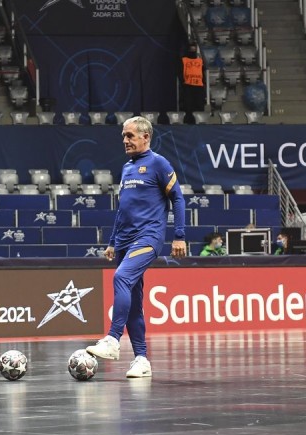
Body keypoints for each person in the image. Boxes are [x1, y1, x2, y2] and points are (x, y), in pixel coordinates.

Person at [85, 116, 187, 378]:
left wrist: (179, 235)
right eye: (123, 135)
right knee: (134, 302)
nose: (125, 140)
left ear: (146, 137)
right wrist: (111, 241)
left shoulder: (158, 163)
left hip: (148, 238)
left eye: (130, 135)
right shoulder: (127, 168)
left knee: (121, 278)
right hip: (124, 241)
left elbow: (178, 198)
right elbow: (122, 209)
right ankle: (142, 360)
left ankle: (113, 339)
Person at [180, 42, 205, 124]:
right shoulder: (184, 60)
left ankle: (199, 122)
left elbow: (203, 73)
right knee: (188, 106)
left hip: (198, 86)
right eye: (191, 48)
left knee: (198, 106)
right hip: (188, 85)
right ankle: (189, 123)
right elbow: (179, 72)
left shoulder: (200, 61)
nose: (192, 50)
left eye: (194, 48)